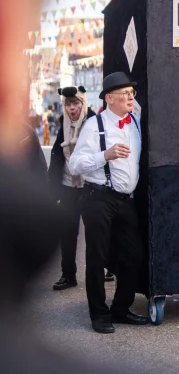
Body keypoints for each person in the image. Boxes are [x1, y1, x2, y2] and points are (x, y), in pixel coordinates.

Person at [69, 72, 146, 334]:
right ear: (109, 98)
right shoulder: (95, 125)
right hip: (98, 197)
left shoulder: (135, 122)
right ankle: (99, 314)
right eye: (125, 93)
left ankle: (121, 309)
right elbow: (75, 165)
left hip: (125, 200)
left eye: (132, 93)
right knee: (97, 257)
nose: (130, 97)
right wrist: (105, 155)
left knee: (134, 255)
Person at [48, 86, 95, 291]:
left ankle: (103, 271)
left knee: (96, 233)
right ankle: (68, 275)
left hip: (89, 185)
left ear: (82, 103)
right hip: (68, 186)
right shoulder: (63, 125)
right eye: (68, 104)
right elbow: (57, 156)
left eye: (75, 103)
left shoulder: (93, 122)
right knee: (67, 232)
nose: (72, 108)